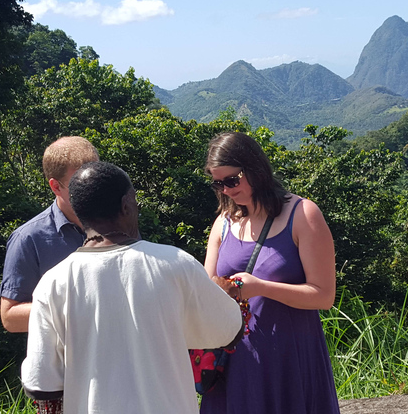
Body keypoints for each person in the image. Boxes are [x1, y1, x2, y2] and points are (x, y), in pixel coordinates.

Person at [21, 161, 244, 414]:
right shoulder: (175, 264)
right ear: (126, 203)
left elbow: (42, 385)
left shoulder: (53, 283)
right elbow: (229, 331)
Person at [201, 131, 341, 414]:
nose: (226, 190)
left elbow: (324, 296)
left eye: (232, 180)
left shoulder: (303, 214)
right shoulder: (224, 222)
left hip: (288, 360)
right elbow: (206, 290)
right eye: (219, 184)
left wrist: (261, 287)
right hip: (233, 362)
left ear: (255, 168)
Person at [0, 136, 99, 333]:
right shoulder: (29, 238)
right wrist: (76, 310)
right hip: (65, 362)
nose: (94, 191)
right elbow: (10, 318)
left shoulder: (118, 223)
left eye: (97, 180)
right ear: (55, 186)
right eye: (81, 184)